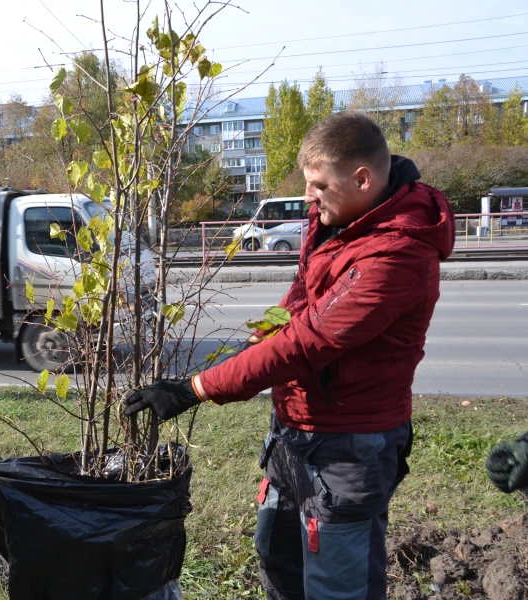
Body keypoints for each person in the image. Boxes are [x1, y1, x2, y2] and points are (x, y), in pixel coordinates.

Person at [125, 112, 455, 600]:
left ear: (362, 179)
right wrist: (250, 350)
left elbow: (309, 341)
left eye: (319, 184)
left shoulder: (397, 255)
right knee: (278, 560)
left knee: (337, 588)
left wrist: (198, 387)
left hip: (348, 449)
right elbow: (295, 308)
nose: (308, 196)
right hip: (295, 435)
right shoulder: (337, 225)